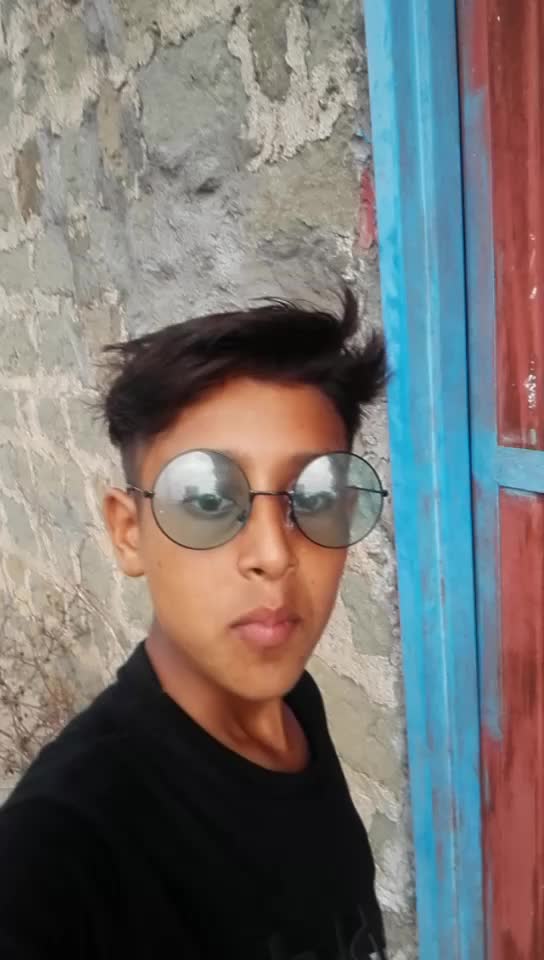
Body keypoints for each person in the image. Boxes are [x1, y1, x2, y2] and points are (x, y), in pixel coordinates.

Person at [0, 289, 389, 959]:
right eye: (207, 500)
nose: (274, 554)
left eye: (317, 497)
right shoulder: (60, 849)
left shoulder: (293, 707)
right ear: (129, 532)